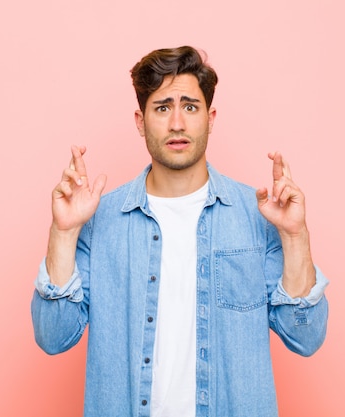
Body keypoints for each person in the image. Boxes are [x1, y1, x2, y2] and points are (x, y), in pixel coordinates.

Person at [31, 45, 329, 417]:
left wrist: (295, 236)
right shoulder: (99, 221)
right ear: (140, 121)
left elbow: (305, 337)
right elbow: (53, 336)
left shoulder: (258, 216)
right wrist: (63, 232)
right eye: (162, 108)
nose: (177, 123)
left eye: (190, 106)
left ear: (210, 116)